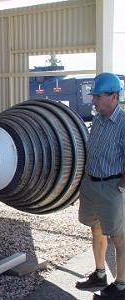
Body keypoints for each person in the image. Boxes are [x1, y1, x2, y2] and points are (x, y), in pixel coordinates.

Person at [75, 72, 125, 299]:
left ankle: (121, 285)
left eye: (98, 97)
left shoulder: (123, 124)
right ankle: (99, 273)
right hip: (91, 185)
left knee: (119, 237)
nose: (93, 101)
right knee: (95, 228)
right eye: (93, 96)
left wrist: (121, 189)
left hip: (112, 187)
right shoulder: (97, 120)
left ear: (114, 97)